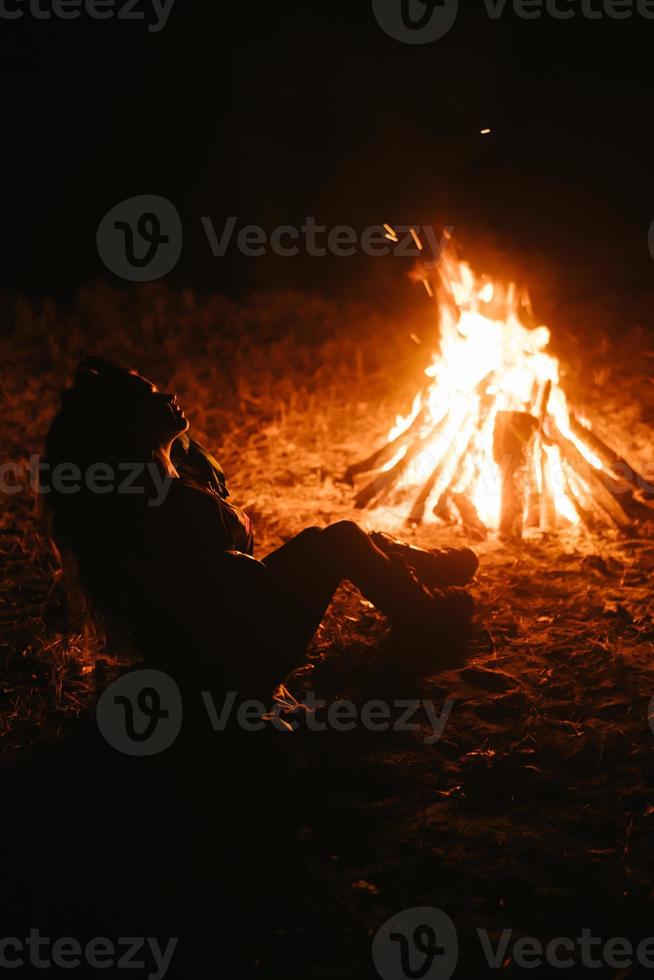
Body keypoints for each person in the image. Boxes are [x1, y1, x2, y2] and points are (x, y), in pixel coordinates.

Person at [43, 357, 477, 706]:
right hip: (239, 660)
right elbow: (215, 593)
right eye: (154, 396)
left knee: (322, 539)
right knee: (340, 540)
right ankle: (423, 614)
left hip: (227, 642)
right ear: (130, 423)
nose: (171, 395)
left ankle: (415, 570)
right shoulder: (166, 503)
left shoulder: (153, 488)